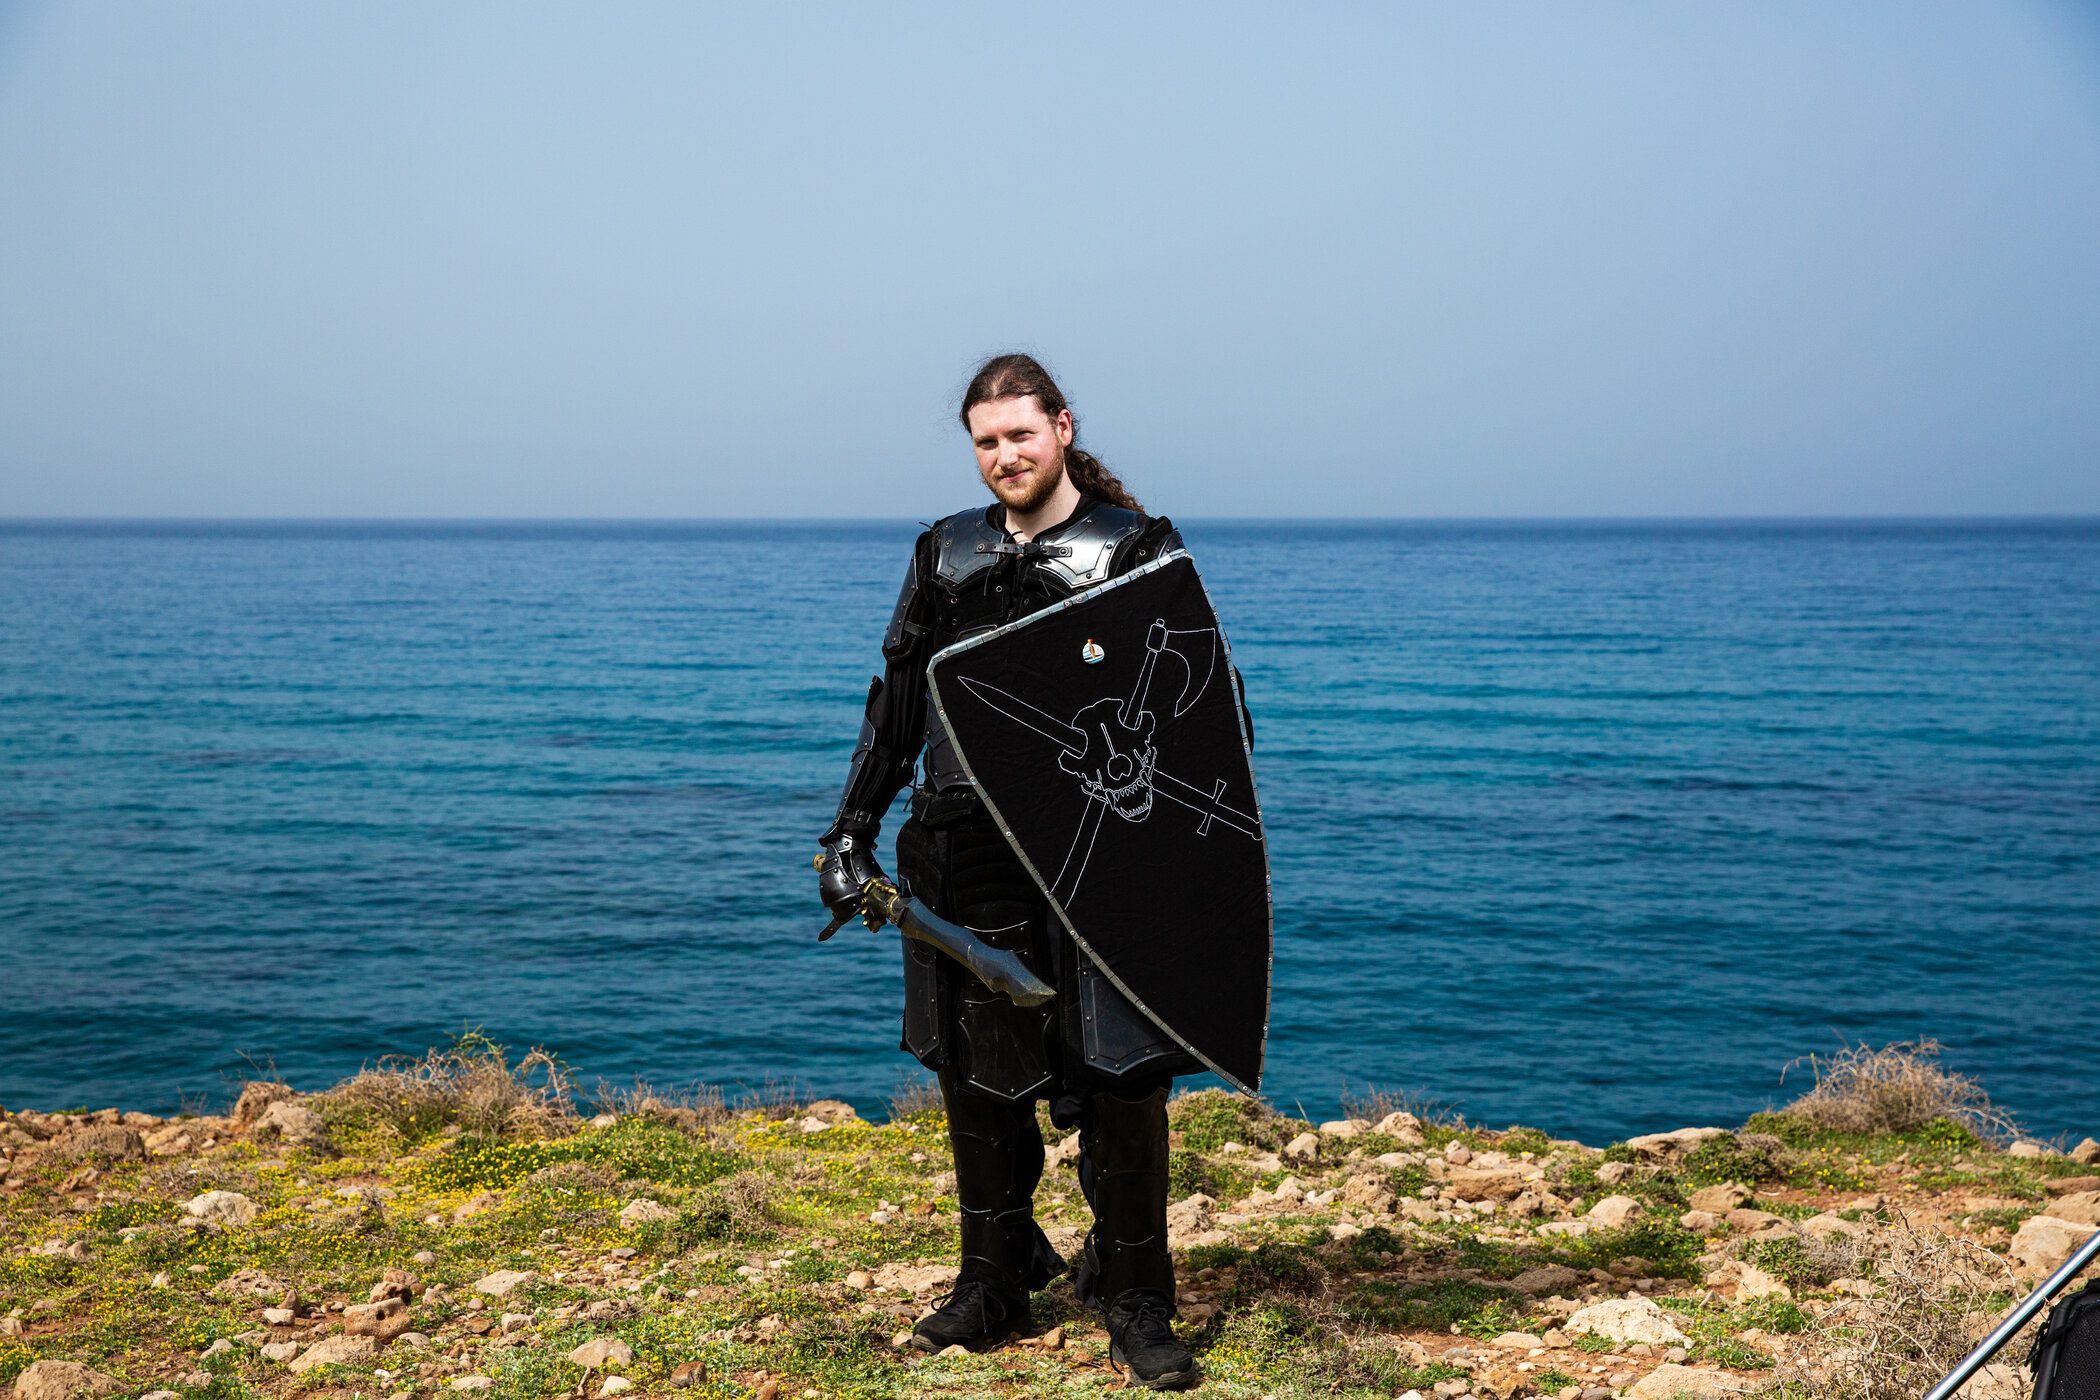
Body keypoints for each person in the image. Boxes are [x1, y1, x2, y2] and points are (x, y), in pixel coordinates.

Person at [815, 353, 1246, 1390]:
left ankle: (1138, 1296)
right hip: (966, 842)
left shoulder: (1131, 545)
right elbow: (901, 705)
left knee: (1123, 1072)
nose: (1004, 455)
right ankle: (994, 1274)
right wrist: (849, 831)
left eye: (1020, 433)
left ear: (1061, 426)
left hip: (1102, 849)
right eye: (985, 440)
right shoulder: (945, 551)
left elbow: (1202, 705)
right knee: (978, 1074)